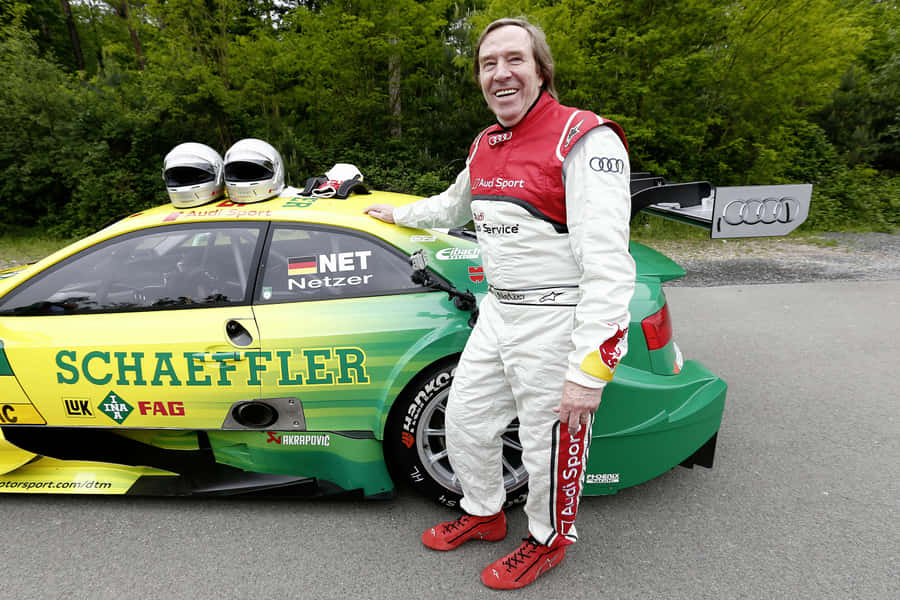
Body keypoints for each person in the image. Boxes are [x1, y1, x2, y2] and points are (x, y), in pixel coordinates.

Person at [365, 17, 635, 590]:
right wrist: (396, 214)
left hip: (557, 321)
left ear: (541, 70)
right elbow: (451, 205)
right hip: (498, 312)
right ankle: (485, 513)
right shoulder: (485, 142)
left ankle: (547, 540)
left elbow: (610, 267)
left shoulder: (585, 138)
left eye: (514, 59)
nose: (500, 73)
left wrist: (590, 370)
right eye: (488, 64)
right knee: (464, 420)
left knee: (547, 445)